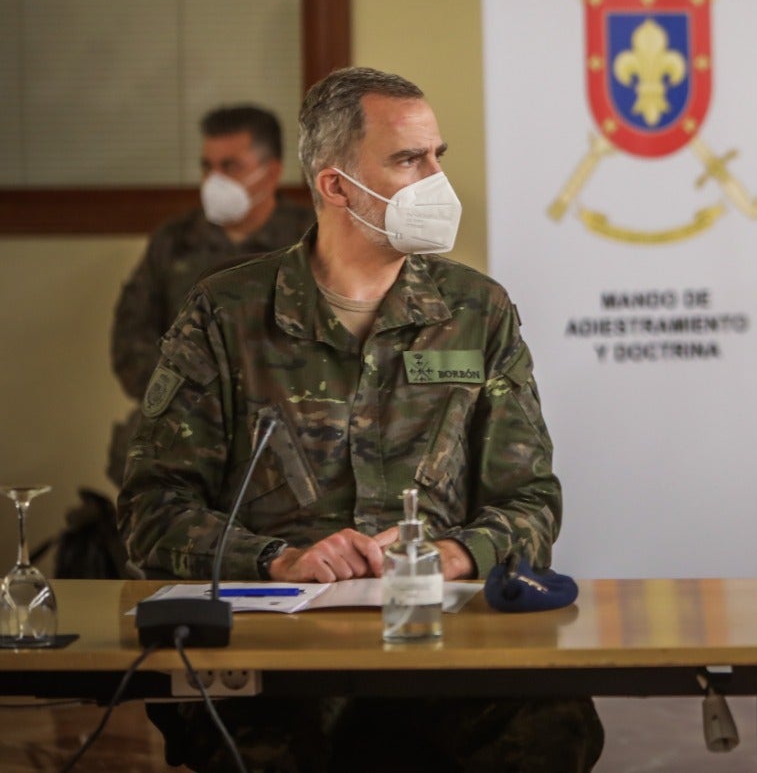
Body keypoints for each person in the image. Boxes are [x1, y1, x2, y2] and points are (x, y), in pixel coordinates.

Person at [118, 68, 603, 772]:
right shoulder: (225, 314)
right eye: (409, 159)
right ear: (335, 184)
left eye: (438, 155)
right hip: (276, 659)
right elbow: (151, 509)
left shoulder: (477, 311)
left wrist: (455, 555)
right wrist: (276, 561)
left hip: (435, 645)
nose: (436, 179)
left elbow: (530, 504)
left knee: (554, 727)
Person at [108, 105, 314, 487]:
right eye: (207, 166)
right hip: (183, 418)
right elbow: (130, 341)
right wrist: (192, 395)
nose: (213, 180)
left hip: (290, 422)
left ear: (269, 173)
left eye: (230, 166)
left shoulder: (311, 239)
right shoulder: (175, 241)